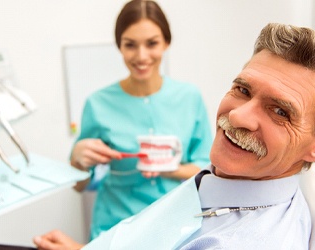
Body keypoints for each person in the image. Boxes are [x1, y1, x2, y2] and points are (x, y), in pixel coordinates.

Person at [34, 22, 315, 249]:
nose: (237, 116)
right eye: (242, 90)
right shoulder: (226, 176)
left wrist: (170, 169)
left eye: (279, 111)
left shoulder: (242, 235)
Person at [69, 0, 212, 242]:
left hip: (176, 226)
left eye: (152, 43)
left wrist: (171, 168)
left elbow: (208, 171)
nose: (141, 56)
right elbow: (79, 186)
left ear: (166, 42)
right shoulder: (98, 103)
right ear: (119, 46)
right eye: (130, 45)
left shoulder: (189, 97)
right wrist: (77, 161)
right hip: (115, 229)